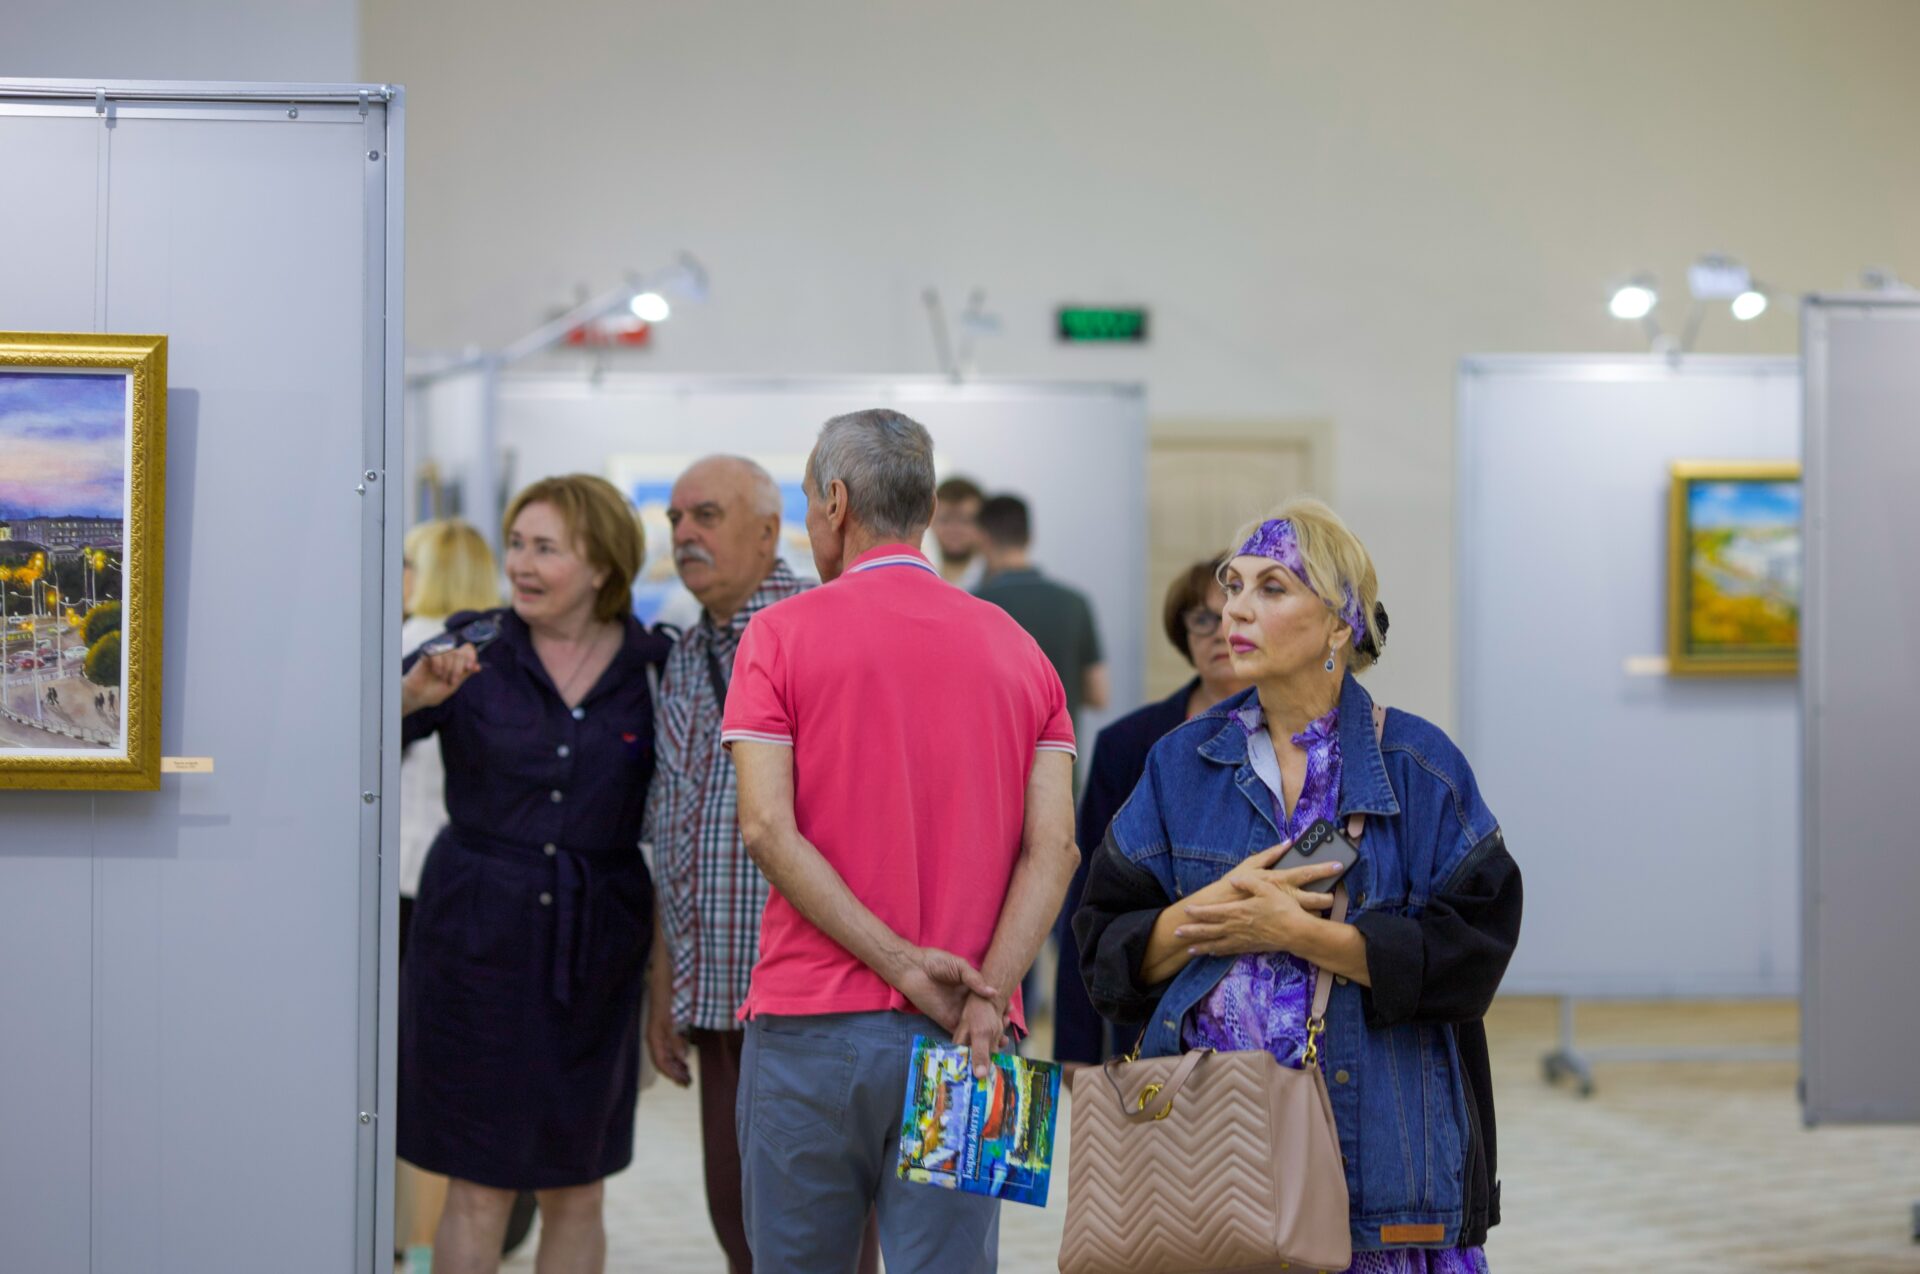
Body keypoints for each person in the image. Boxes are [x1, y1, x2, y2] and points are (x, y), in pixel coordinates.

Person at [1074, 498, 1521, 1272]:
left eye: (1271, 588)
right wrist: (1203, 914)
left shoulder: (1419, 767)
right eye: (1233, 586)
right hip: (1211, 1171)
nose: (1235, 611)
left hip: (1378, 1178)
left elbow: (1473, 956)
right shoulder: (1181, 764)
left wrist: (1300, 936)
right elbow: (1103, 950)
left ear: (1340, 624)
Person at [722, 409, 1080, 1273]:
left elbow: (766, 826)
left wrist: (902, 966)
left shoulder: (778, 634)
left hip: (812, 1027)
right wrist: (991, 993)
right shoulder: (1021, 649)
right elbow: (1056, 850)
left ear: (836, 503)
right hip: (977, 1037)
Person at [398, 474, 672, 1274]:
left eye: (545, 548)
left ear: (602, 565)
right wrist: (407, 698)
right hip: (473, 945)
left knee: (578, 1185)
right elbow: (353, 743)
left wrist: (666, 980)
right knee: (478, 1184)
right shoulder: (470, 648)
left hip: (596, 953)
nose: (520, 563)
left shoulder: (655, 668)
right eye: (516, 543)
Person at [640, 455, 879, 1274]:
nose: (684, 535)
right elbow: (674, 823)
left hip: (812, 995)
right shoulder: (686, 652)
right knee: (738, 1218)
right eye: (675, 519)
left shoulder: (821, 629)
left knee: (823, 1234)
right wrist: (666, 980)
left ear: (770, 530)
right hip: (718, 993)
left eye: (706, 516)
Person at [1051, 557, 1249, 1067]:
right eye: (1202, 619)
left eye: (1231, 613)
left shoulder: (1302, 741)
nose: (1219, 631)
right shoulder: (1129, 745)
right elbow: (1088, 901)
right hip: (1151, 1012)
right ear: (1184, 633)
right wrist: (1075, 1047)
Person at [395, 518, 503, 1262]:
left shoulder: (417, 647)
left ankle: (412, 1242)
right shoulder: (490, 653)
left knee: (413, 1074)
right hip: (464, 881)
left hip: (409, 879)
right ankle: (429, 1243)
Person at [973, 493, 1108, 729]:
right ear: (1030, 537)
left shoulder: (974, 604)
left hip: (1000, 749)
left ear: (983, 539)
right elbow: (1098, 694)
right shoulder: (1075, 603)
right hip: (1062, 750)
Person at [930, 474, 986, 589]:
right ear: (930, 522)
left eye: (965, 521)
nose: (954, 530)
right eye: (944, 520)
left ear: (983, 524)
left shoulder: (996, 577)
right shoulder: (919, 573)